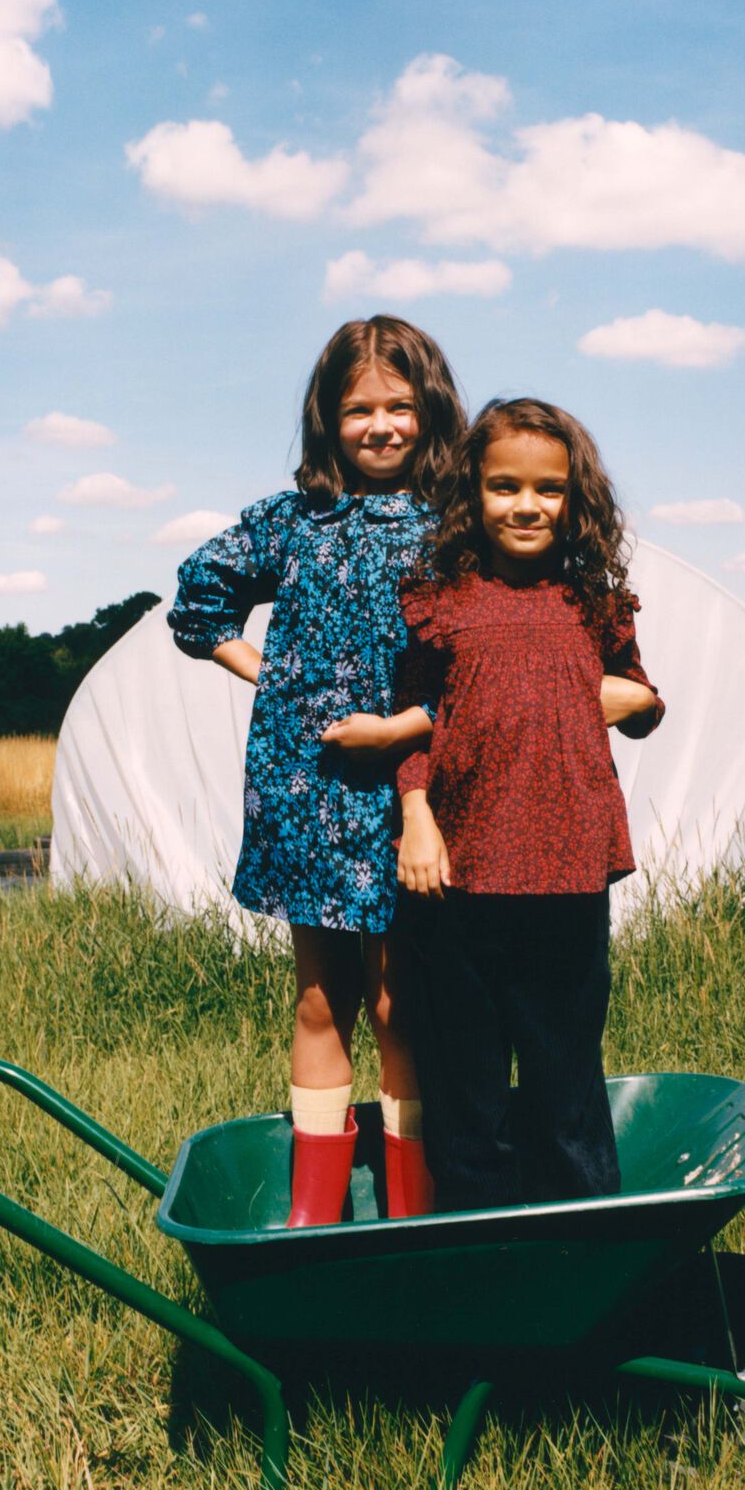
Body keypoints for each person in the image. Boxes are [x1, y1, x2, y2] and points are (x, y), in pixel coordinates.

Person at [167, 317, 465, 1226]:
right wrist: (267, 674)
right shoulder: (295, 519)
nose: (380, 426)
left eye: (400, 407)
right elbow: (198, 596)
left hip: (414, 781)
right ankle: (313, 1215)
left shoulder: (455, 524)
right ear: (327, 420)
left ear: (432, 410)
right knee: (318, 997)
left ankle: (414, 1213)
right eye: (358, 410)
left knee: (398, 1000)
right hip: (307, 789)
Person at [348, 397, 663, 1212]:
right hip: (458, 879)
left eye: (548, 490)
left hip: (567, 876)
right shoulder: (441, 600)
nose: (526, 506)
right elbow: (413, 721)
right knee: (467, 1092)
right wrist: (415, 817)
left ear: (575, 498)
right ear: (472, 494)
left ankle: (587, 1248)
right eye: (504, 487)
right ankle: (479, 1251)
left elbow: (643, 699)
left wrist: (633, 699)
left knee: (567, 1088)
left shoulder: (593, 603)